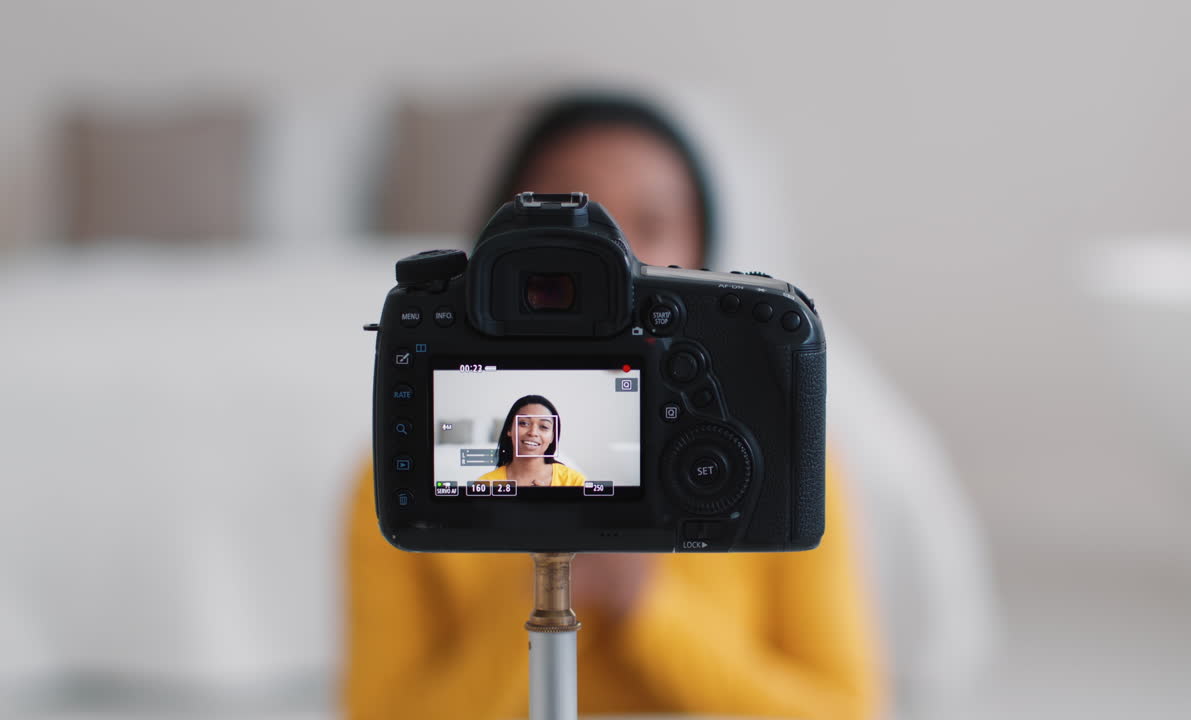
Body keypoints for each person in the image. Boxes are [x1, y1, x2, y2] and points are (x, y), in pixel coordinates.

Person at [344, 92, 884, 719]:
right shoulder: (397, 475)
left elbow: (846, 711)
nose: (612, 259)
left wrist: (645, 606)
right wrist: (531, 598)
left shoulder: (786, 457)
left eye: (649, 223)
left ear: (705, 264)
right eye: (568, 228)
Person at [476, 395, 586, 487]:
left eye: (544, 426)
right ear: (509, 429)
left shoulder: (574, 481)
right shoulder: (485, 484)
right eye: (523, 423)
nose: (533, 432)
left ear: (552, 437)